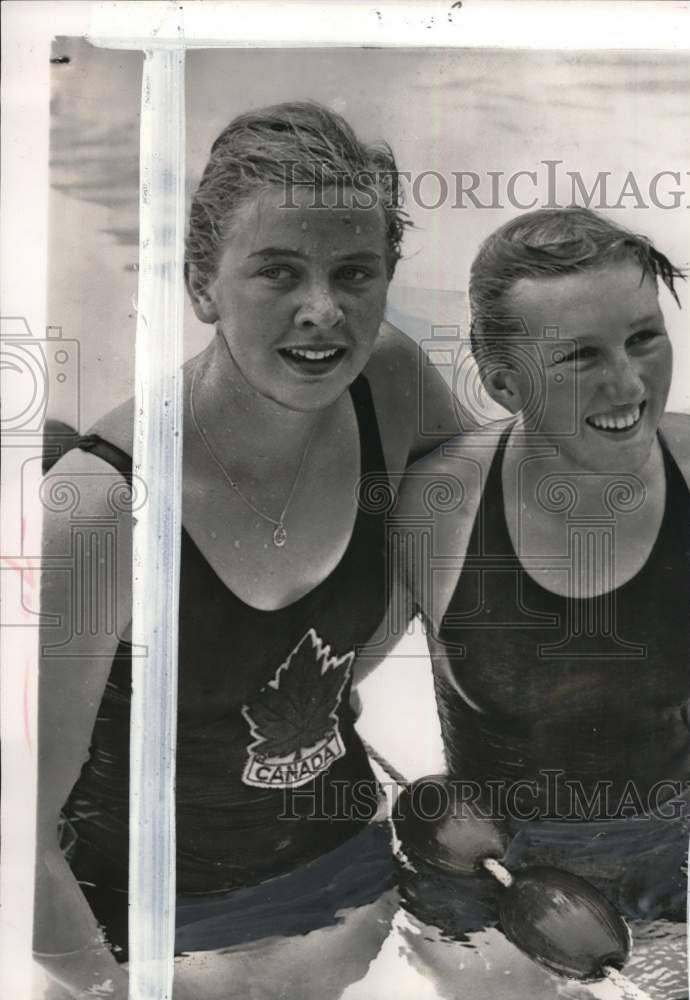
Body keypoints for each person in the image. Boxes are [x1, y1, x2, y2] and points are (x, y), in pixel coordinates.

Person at [34, 102, 465, 1000]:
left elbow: (491, 553)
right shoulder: (100, 504)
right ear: (201, 285)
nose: (324, 310)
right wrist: (112, 989)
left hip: (355, 888)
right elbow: (12, 839)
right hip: (143, 935)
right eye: (278, 271)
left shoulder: (391, 384)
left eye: (356, 273)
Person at [383, 207, 690, 989]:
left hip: (682, 884)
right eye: (579, 357)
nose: (628, 384)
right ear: (502, 381)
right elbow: (315, 683)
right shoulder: (438, 507)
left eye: (644, 338)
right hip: (486, 898)